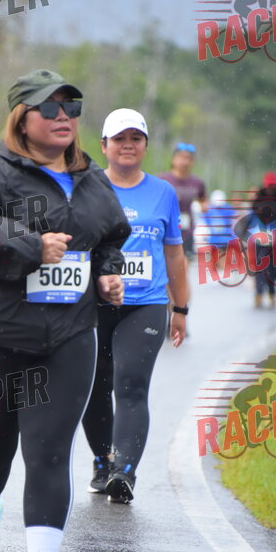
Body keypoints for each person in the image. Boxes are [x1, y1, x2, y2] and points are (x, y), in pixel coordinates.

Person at [0, 69, 131, 552]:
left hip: (67, 336)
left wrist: (107, 275)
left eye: (71, 106)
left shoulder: (93, 182)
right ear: (21, 119)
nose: (62, 116)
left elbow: (108, 240)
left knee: (48, 452)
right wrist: (30, 245)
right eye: (48, 108)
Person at [82, 109, 188, 500]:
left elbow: (174, 253)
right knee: (95, 386)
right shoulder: (88, 188)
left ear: (145, 145)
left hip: (146, 303)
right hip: (94, 304)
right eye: (119, 138)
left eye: (136, 138)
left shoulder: (163, 192)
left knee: (131, 385)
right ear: (104, 145)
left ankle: (124, 472)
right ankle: (102, 461)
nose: (128, 145)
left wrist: (181, 309)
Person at [234, 182, 276, 308]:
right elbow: (248, 221)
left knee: (273, 269)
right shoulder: (257, 204)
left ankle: (271, 293)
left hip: (275, 241)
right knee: (260, 267)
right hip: (260, 241)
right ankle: (259, 293)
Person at [159, 143, 207, 261]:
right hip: (165, 229)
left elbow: (204, 201)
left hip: (186, 232)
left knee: (183, 264)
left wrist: (202, 207)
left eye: (188, 158)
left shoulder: (197, 183)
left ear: (192, 162)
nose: (184, 162)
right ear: (173, 159)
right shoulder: (162, 179)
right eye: (181, 157)